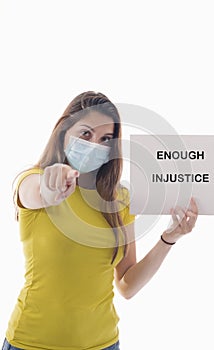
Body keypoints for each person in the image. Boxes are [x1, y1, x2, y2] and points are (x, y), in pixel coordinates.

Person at [2, 91, 198, 350]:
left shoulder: (120, 200)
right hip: (31, 343)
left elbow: (127, 285)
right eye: (86, 134)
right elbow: (38, 192)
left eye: (105, 139)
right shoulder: (31, 180)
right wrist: (51, 189)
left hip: (103, 343)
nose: (95, 144)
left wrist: (169, 238)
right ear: (63, 133)